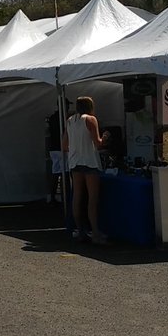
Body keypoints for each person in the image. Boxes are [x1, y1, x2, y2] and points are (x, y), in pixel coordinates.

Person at [63, 96, 111, 245]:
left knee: (77, 196)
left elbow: (64, 145)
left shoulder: (70, 120)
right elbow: (98, 143)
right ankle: (95, 232)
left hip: (75, 161)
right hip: (89, 161)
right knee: (92, 199)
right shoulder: (91, 119)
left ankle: (80, 230)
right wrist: (105, 137)